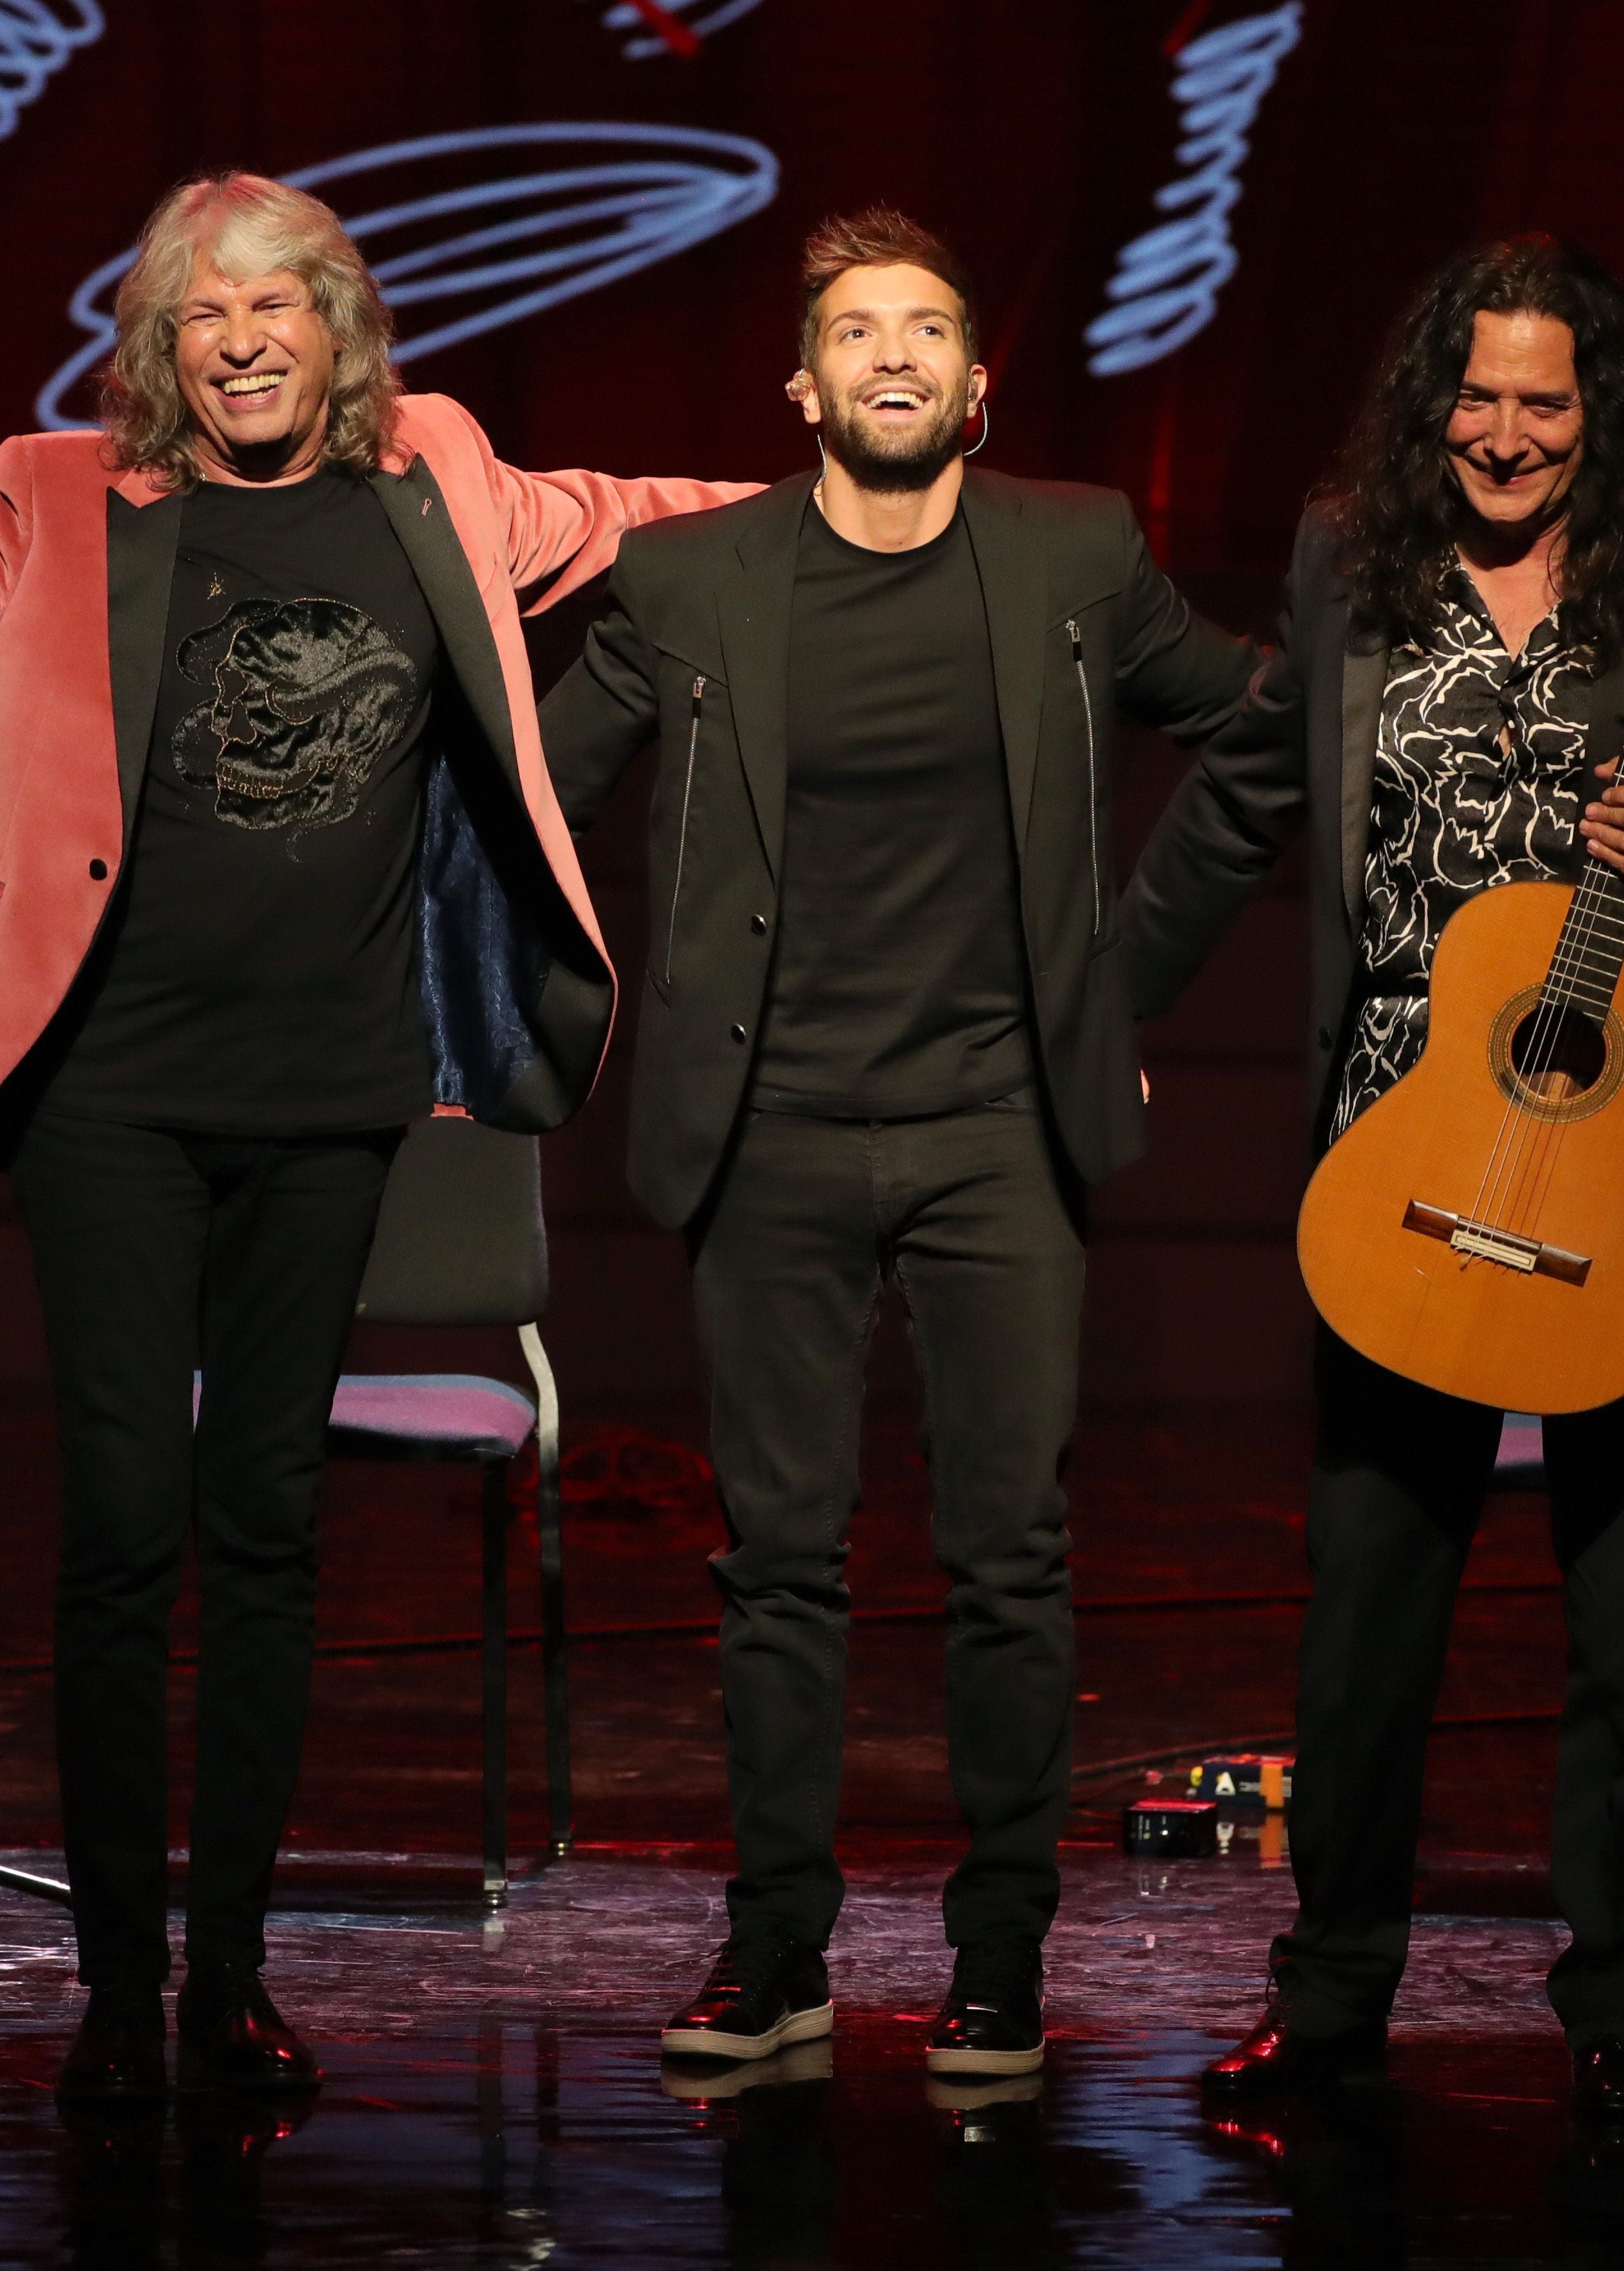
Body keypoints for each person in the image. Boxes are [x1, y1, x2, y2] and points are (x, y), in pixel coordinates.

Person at [0, 169, 750, 2105]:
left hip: (333, 1097)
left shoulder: (434, 471)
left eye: (280, 302)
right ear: (161, 343)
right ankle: (119, 1991)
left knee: (266, 1534)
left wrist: (877, 475)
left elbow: (656, 528)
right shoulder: (51, 497)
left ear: (340, 325)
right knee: (126, 1533)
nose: (245, 338)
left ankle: (230, 1979)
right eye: (206, 312)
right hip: (110, 1091)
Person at [1127, 234, 1624, 2121]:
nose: (1507, 435)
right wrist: (1094, 1010)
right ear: (1424, 403)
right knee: (1370, 1601)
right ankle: (1332, 1988)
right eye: (1476, 395)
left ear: (1596, 413)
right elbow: (1240, 803)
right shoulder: (1350, 561)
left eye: (1545, 400)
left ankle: (1613, 2007)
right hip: (1402, 1145)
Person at [539, 208, 1268, 2080]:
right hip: (765, 1133)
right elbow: (531, 791)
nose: (890, 354)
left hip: (993, 1133)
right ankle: (776, 1955)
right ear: (799, 385)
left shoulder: (1071, 555)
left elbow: (1268, 720)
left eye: (926, 329)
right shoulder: (693, 581)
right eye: (855, 330)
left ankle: (999, 1959)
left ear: (971, 383)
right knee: (777, 1563)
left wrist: (1127, 974)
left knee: (1009, 1557)